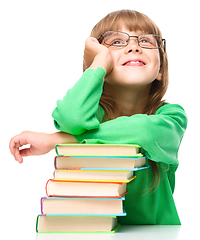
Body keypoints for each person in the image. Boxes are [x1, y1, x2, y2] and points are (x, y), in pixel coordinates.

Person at [9, 9, 187, 225]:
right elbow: (71, 119)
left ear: (160, 70)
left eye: (146, 41)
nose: (134, 46)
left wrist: (55, 140)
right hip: (94, 231)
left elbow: (144, 132)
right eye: (117, 41)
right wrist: (99, 64)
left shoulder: (171, 116)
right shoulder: (91, 116)